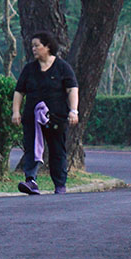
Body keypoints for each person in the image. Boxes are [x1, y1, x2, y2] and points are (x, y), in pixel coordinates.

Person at [11, 31, 79, 195]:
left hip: (56, 117)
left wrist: (73, 111)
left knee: (57, 150)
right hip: (32, 118)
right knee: (31, 148)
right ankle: (31, 181)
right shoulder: (29, 69)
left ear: (47, 46)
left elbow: (72, 89)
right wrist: (16, 112)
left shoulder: (62, 67)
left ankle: (60, 184)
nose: (33, 49)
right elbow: (19, 91)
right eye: (32, 46)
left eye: (37, 45)